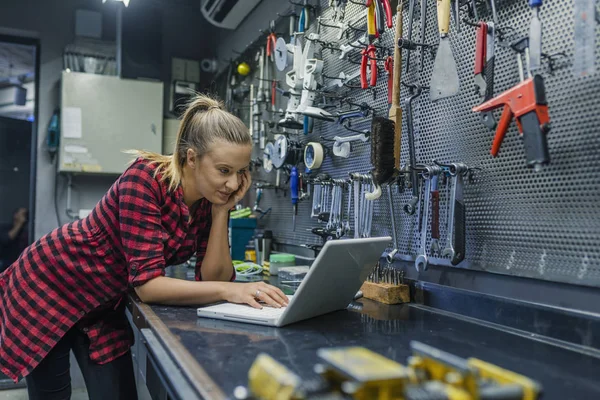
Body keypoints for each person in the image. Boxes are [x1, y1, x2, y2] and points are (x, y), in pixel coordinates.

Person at [0, 95, 288, 400]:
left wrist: (222, 212)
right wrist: (232, 291)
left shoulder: (208, 201)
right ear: (192, 158)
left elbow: (214, 278)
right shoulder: (146, 179)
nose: (233, 184)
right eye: (224, 170)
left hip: (102, 303)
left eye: (240, 172)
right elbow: (149, 286)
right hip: (50, 283)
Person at [0, 207, 28, 273]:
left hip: (20, 264)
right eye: (22, 214)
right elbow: (7, 239)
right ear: (15, 215)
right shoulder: (5, 228)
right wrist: (20, 223)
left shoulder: (26, 233)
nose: (23, 217)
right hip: (5, 264)